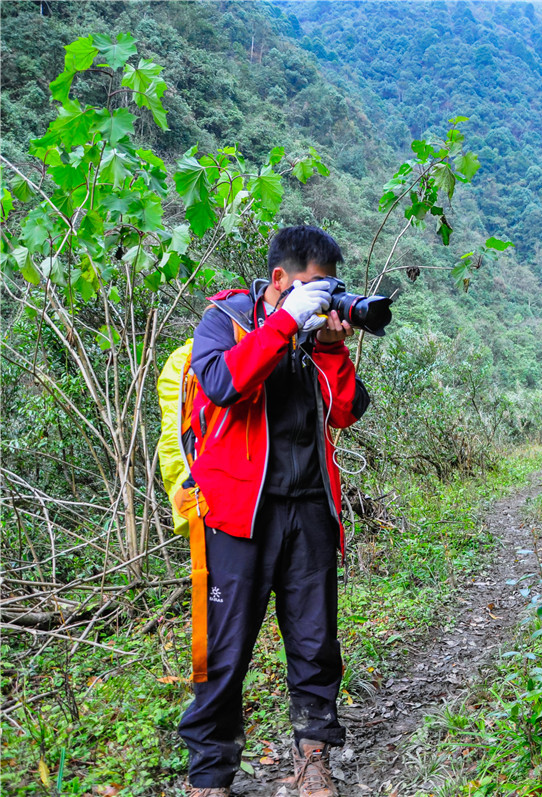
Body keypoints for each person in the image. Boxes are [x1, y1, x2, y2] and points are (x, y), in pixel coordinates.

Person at [178, 226, 370, 797]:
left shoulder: (317, 336)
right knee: (223, 650)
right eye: (313, 285)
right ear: (280, 280)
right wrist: (285, 326)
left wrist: (331, 345)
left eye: (330, 286)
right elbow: (220, 384)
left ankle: (314, 757)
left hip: (310, 507)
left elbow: (345, 414)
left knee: (315, 642)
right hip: (238, 514)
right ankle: (210, 777)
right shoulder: (227, 319)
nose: (323, 296)